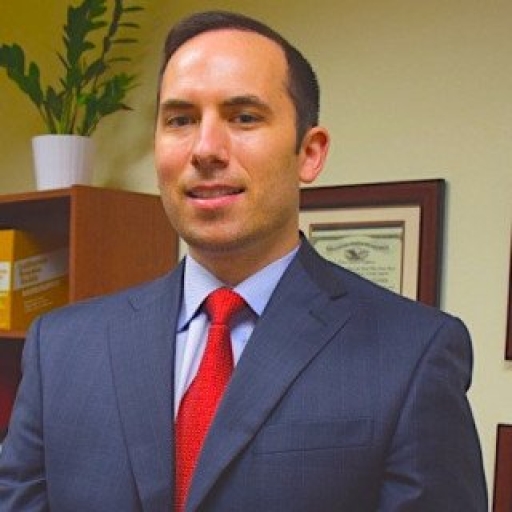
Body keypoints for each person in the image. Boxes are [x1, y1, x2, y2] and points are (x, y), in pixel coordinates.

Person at [0, 10, 487, 511]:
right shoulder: (60, 348)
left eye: (244, 117)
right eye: (181, 120)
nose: (205, 149)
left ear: (309, 153)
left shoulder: (412, 354)